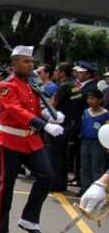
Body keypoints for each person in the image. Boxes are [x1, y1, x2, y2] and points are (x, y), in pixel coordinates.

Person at [0, 45, 64, 233]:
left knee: (47, 175)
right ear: (14, 63)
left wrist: (49, 114)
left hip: (30, 140)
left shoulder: (31, 83)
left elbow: (34, 107)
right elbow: (16, 110)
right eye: (26, 61)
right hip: (10, 140)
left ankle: (29, 219)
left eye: (32, 61)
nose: (30, 65)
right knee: (7, 185)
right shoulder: (7, 85)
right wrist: (44, 125)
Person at [51, 63, 81, 191]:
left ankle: (57, 184)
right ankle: (61, 183)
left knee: (57, 154)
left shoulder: (64, 86)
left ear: (63, 73)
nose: (55, 73)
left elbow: (53, 103)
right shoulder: (75, 85)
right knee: (62, 155)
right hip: (72, 123)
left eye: (57, 71)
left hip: (62, 124)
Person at [79, 89, 109, 196]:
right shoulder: (86, 112)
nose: (89, 101)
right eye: (88, 98)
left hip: (98, 143)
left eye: (92, 99)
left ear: (100, 100)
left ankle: (96, 189)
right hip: (85, 141)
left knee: (97, 165)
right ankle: (84, 187)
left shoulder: (106, 114)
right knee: (84, 165)